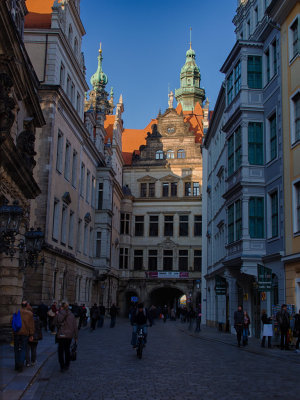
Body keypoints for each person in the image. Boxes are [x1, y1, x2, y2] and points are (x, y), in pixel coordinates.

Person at [54, 302, 78, 372]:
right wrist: (76, 336)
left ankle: (62, 366)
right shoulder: (72, 315)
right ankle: (67, 365)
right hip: (69, 335)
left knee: (60, 351)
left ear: (62, 307)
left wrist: (56, 315)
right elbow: (75, 327)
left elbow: (54, 323)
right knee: (67, 350)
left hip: (61, 335)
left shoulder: (59, 314)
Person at [13, 300, 35, 372]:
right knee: (23, 349)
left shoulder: (16, 312)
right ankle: (21, 365)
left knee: (16, 349)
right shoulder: (29, 314)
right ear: (26, 305)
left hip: (16, 333)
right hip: (25, 333)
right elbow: (31, 325)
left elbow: (12, 321)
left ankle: (16, 364)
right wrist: (31, 334)